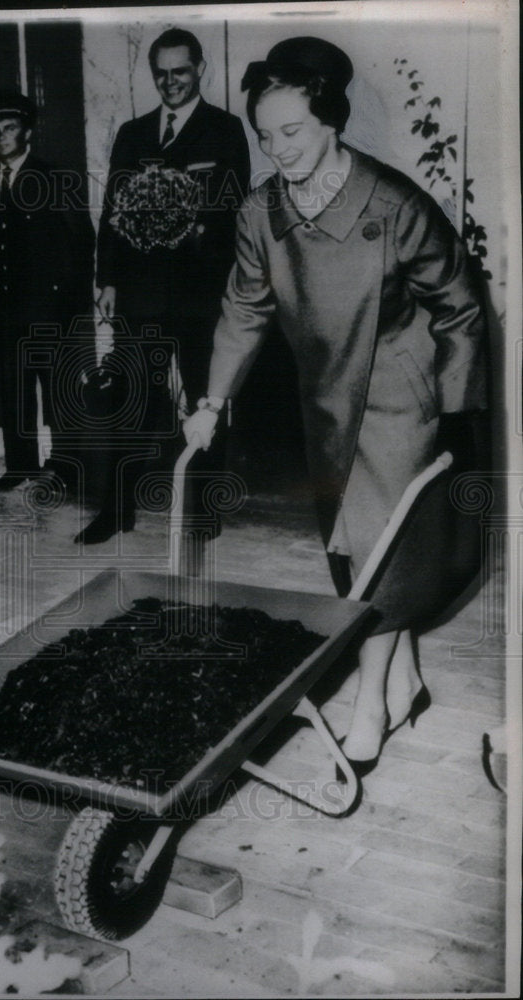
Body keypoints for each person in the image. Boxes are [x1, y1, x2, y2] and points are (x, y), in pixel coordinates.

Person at [183, 37, 487, 773]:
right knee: (358, 550)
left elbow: (458, 308)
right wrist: (209, 401)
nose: (278, 149)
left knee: (377, 556)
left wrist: (454, 410)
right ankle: (407, 680)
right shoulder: (260, 213)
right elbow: (243, 309)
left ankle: (369, 706)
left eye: (292, 132)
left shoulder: (393, 202)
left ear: (330, 123)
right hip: (325, 397)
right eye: (265, 136)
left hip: (399, 390)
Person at [78, 26, 250, 548]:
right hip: (139, 291)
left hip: (200, 292)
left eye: (180, 71)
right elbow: (112, 211)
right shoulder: (132, 134)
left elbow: (233, 207)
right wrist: (106, 278)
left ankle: (203, 509)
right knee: (127, 398)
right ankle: (116, 508)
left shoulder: (225, 129)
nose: (170, 82)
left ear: (200, 69)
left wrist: (196, 229)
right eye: (161, 73)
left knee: (205, 397)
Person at [0, 89, 95, 492]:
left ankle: (68, 467)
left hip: (47, 307)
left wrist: (66, 301)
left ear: (27, 133)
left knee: (57, 390)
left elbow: (80, 241)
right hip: (6, 307)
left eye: (10, 128)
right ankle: (21, 464)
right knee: (15, 387)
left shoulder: (52, 177)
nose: (1, 136)